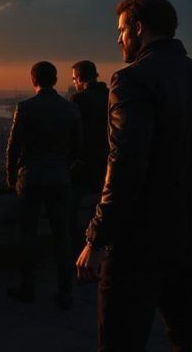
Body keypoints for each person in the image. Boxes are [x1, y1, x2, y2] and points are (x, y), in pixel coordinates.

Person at [76, 0, 192, 351]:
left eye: (122, 30)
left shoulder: (131, 80)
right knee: (190, 336)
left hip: (139, 243)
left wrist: (97, 238)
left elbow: (126, 163)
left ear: (139, 28)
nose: (118, 39)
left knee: (121, 340)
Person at [6, 61, 82, 309]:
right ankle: (65, 291)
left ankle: (28, 288)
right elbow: (78, 148)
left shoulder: (25, 108)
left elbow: (13, 146)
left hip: (30, 177)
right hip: (59, 177)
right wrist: (64, 167)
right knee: (62, 236)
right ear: (56, 79)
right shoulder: (70, 109)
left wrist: (10, 175)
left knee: (28, 234)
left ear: (33, 80)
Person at [69, 60, 109, 258]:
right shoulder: (110, 95)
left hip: (86, 164)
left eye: (74, 79)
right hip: (108, 164)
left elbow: (72, 134)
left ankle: (82, 250)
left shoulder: (79, 99)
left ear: (81, 79)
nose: (74, 83)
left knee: (71, 207)